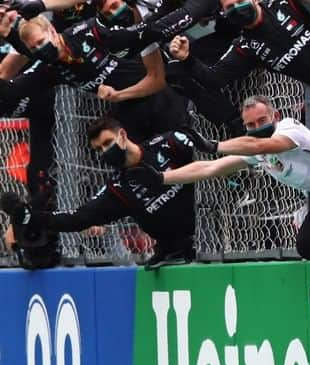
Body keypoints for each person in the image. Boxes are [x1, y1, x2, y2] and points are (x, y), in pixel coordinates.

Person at [167, 0, 310, 178]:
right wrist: (187, 59)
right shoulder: (246, 47)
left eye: (241, 0)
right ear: (224, 13)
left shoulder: (284, 0)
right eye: (230, 7)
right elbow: (213, 79)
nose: (238, 8)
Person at [143, 93, 310, 260]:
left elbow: (260, 145)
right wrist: (161, 178)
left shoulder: (288, 128)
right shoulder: (255, 150)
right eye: (251, 125)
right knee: (309, 247)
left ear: (275, 116)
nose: (257, 127)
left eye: (262, 120)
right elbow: (210, 168)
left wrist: (214, 145)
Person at [0, 115, 197, 268]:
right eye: (99, 149)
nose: (104, 152)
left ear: (122, 135)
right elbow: (78, 218)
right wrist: (32, 217)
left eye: (107, 143)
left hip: (201, 235)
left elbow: (209, 159)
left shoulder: (167, 144)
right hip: (172, 251)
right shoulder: (118, 187)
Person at [0, 12, 186, 139]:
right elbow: (13, 91)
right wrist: (7, 34)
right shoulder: (50, 68)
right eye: (34, 48)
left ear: (52, 31)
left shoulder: (88, 32)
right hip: (129, 109)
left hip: (159, 95)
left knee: (176, 159)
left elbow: (139, 33)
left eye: (41, 42)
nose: (40, 49)